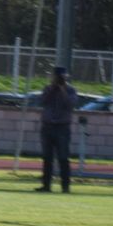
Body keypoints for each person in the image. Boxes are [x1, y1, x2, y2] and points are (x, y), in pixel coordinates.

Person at [36, 66, 78, 194]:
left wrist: (62, 88)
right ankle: (46, 185)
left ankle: (65, 187)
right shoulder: (48, 89)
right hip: (47, 126)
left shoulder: (70, 90)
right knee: (47, 158)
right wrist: (53, 88)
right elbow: (42, 102)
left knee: (63, 158)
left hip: (62, 127)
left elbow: (70, 105)